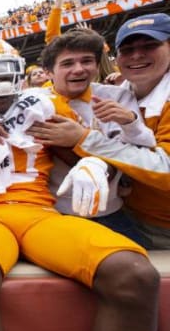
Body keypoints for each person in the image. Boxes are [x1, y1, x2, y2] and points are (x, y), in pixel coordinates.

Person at [0, 38, 159, 331]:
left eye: (7, 73)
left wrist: (96, 163)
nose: (0, 84)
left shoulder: (40, 109)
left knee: (135, 275)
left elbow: (83, 148)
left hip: (40, 213)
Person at [28, 13, 170, 249]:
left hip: (158, 225)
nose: (137, 55)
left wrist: (84, 141)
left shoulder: (117, 96)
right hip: (102, 214)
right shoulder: (124, 90)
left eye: (150, 45)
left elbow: (163, 167)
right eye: (127, 49)